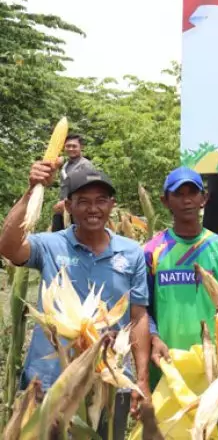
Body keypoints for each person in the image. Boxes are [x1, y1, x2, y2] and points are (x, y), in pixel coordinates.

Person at [0, 162, 151, 439]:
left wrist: (141, 379)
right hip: (49, 381)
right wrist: (32, 190)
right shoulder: (49, 244)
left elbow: (138, 317)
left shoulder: (132, 253)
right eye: (83, 202)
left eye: (101, 201)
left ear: (112, 205)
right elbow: (8, 247)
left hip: (109, 378)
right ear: (68, 207)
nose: (93, 209)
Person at [144, 167, 218, 390]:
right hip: (165, 363)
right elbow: (143, 308)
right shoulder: (151, 251)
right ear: (165, 201)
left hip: (214, 365)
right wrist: (153, 338)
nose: (186, 201)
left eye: (193, 193)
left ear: (205, 198)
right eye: (178, 194)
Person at [51, 133, 94, 231]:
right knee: (57, 239)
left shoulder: (86, 165)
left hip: (79, 210)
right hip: (63, 210)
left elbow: (89, 189)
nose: (70, 149)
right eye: (68, 146)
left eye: (74, 146)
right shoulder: (65, 165)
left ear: (81, 147)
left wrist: (67, 202)